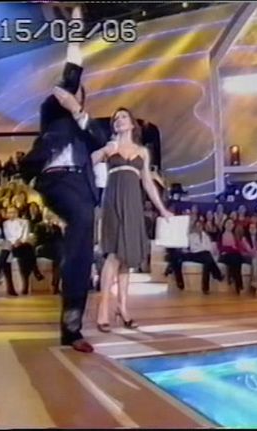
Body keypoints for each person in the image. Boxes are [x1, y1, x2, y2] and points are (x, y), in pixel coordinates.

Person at [20, 17, 109, 353]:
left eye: (77, 95)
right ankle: (71, 258)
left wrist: (79, 113)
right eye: (68, 92)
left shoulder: (86, 126)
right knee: (83, 221)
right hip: (53, 179)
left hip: (80, 185)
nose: (71, 94)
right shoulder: (52, 114)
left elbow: (101, 140)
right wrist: (75, 30)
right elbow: (71, 73)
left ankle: (72, 327)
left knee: (81, 246)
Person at [92, 107, 174, 332]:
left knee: (126, 258)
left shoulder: (142, 152)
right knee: (113, 255)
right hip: (113, 201)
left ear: (131, 123)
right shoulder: (111, 148)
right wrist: (104, 150)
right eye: (115, 118)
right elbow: (89, 161)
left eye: (123, 117)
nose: (119, 120)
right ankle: (103, 309)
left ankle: (123, 308)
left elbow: (147, 183)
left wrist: (162, 209)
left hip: (133, 204)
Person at [170, 219, 224, 294]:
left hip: (204, 255)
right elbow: (193, 248)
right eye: (197, 226)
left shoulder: (206, 236)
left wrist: (202, 248)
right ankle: (217, 275)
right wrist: (203, 248)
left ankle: (206, 287)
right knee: (207, 257)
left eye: (200, 226)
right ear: (195, 227)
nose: (199, 227)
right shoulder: (192, 236)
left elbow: (209, 248)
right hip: (194, 254)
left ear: (202, 226)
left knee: (208, 260)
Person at [3, 206, 44, 295]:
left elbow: (25, 234)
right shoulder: (5, 223)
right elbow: (7, 236)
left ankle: (26, 284)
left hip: (22, 244)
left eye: (14, 212)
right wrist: (14, 242)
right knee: (27, 252)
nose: (12, 214)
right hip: (11, 245)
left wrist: (20, 241)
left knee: (26, 251)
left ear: (17, 213)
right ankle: (36, 271)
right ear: (6, 214)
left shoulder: (24, 222)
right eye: (9, 212)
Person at [218, 218, 245, 294]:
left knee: (237, 259)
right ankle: (239, 283)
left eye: (231, 223)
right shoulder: (221, 235)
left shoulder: (235, 235)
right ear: (224, 225)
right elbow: (221, 248)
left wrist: (230, 248)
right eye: (228, 223)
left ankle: (234, 280)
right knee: (235, 259)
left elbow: (238, 248)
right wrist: (231, 248)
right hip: (224, 256)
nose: (230, 225)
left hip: (234, 255)